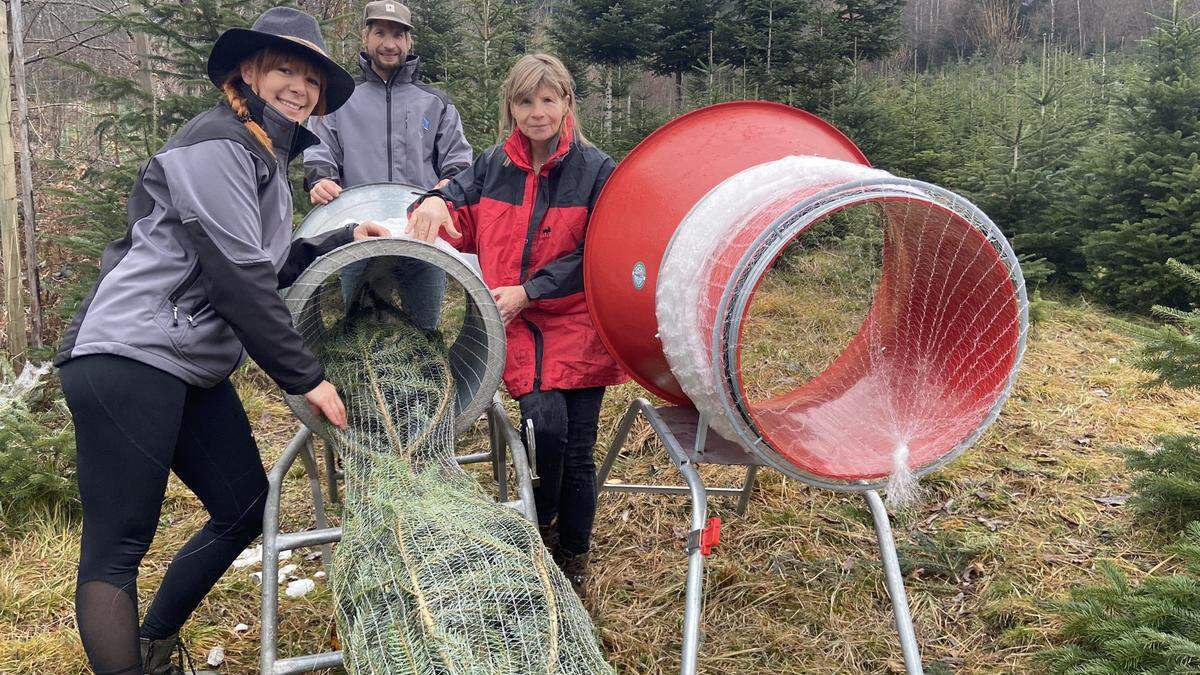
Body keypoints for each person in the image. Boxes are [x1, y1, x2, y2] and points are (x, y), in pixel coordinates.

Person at [53, 8, 387, 674]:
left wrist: (340, 240)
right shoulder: (217, 144)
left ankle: (152, 642)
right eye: (283, 70)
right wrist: (306, 376)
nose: (298, 86)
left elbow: (262, 261)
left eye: (310, 77)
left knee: (243, 506)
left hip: (188, 362)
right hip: (128, 353)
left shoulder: (264, 155)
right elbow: (237, 280)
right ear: (248, 71)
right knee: (118, 547)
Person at [407, 53, 627, 597]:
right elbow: (454, 209)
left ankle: (571, 554)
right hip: (519, 328)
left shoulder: (598, 170)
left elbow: (600, 253)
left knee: (578, 448)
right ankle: (543, 520)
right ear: (511, 106)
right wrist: (433, 201)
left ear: (567, 103)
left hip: (577, 322)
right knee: (544, 428)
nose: (537, 112)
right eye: (525, 101)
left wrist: (530, 291)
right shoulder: (491, 166)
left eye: (548, 100)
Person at [304, 0, 472, 331]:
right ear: (365, 37)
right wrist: (319, 179)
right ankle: (366, 384)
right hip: (360, 237)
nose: (389, 43)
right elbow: (319, 154)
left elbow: (459, 165)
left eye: (398, 34)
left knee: (424, 331)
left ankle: (426, 379)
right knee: (361, 329)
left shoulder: (435, 103)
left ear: (408, 42)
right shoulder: (339, 101)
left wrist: (445, 190)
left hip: (421, 238)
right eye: (380, 33)